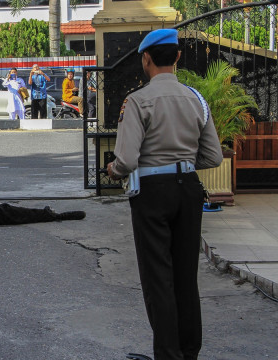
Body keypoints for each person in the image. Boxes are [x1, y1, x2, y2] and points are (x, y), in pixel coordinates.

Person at [107, 29, 223, 360]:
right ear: (177, 58)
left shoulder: (138, 101)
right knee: (186, 277)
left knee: (159, 278)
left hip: (152, 193)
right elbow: (213, 157)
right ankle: (188, 353)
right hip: (188, 190)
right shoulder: (196, 99)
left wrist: (113, 170)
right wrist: (184, 164)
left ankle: (168, 355)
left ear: (146, 60)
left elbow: (127, 160)